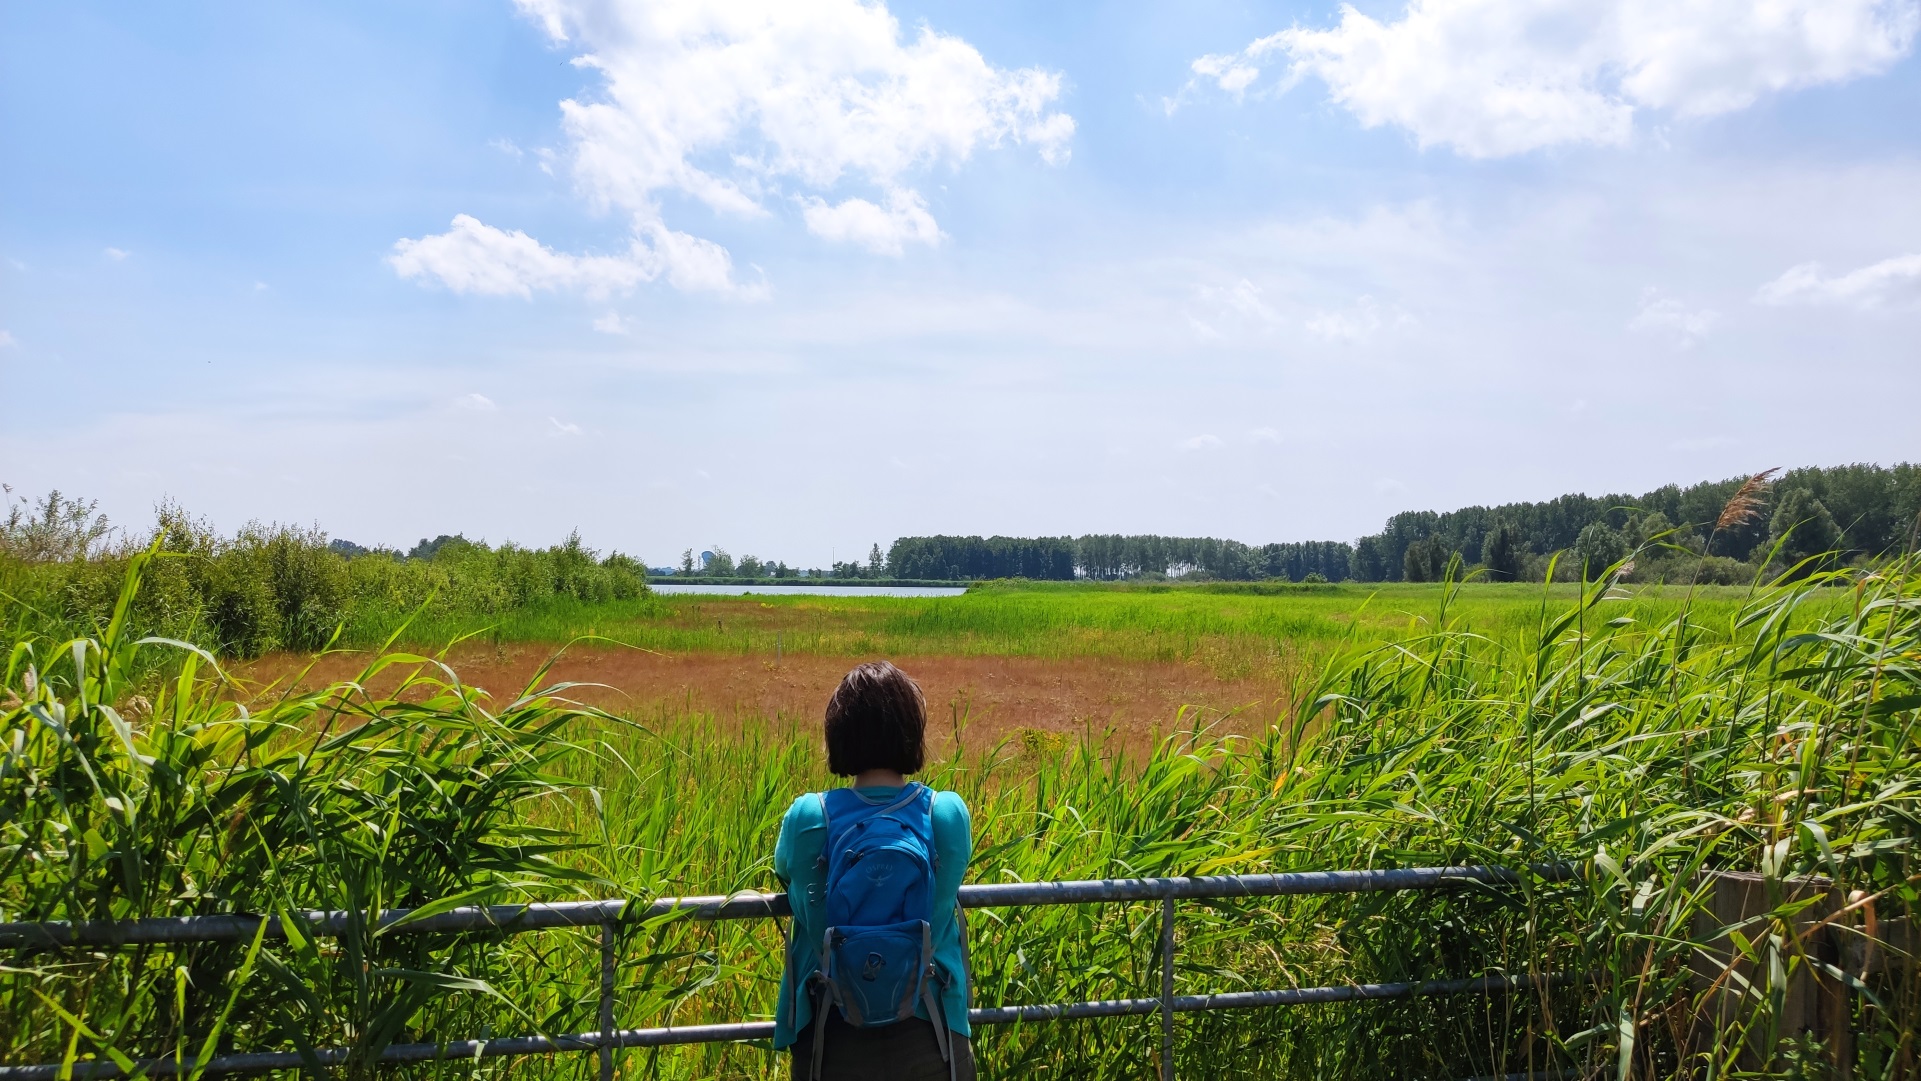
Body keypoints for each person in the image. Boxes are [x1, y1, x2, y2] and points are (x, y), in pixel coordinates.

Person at [773, 661, 976, 1081]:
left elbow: (784, 871)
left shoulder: (812, 816)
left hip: (831, 1029)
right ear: (911, 732)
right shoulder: (945, 814)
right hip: (930, 1027)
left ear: (839, 732)